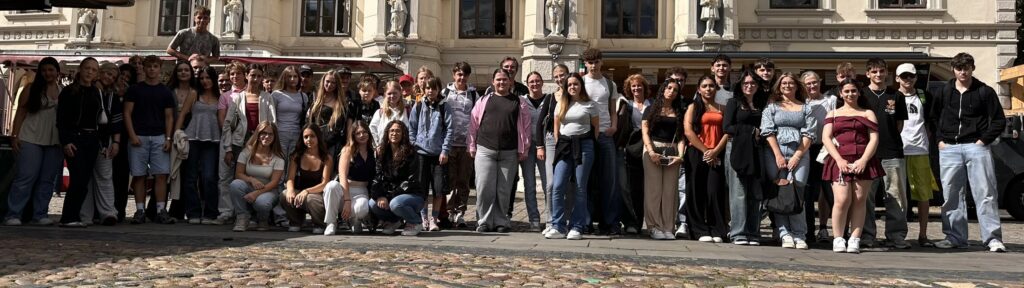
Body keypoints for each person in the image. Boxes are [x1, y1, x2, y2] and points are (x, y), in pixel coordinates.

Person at [931, 53, 1007, 252]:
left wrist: (983, 141)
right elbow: (933, 118)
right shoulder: (944, 91)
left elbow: (999, 119)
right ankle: (955, 237)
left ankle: (992, 239)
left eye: (966, 68)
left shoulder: (985, 91)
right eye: (958, 68)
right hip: (949, 148)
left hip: (977, 147)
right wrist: (939, 141)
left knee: (986, 193)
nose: (962, 72)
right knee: (951, 195)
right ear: (953, 70)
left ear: (972, 68)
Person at [821, 79, 884, 254]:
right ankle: (838, 238)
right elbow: (826, 138)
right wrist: (839, 160)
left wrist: (863, 160)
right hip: (839, 160)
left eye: (853, 91)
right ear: (841, 93)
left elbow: (874, 139)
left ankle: (855, 238)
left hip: (863, 159)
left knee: (859, 199)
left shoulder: (867, 113)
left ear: (859, 93)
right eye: (846, 91)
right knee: (841, 200)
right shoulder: (832, 114)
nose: (850, 94)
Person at [468, 69, 532, 233]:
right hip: (485, 150)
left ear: (510, 82)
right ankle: (483, 221)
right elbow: (473, 124)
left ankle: (502, 221)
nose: (502, 82)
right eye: (498, 79)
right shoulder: (483, 100)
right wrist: (471, 145)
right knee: (484, 188)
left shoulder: (519, 102)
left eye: (505, 79)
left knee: (503, 190)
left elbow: (525, 126)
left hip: (509, 152)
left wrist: (524, 148)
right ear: (493, 81)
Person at [760, 72, 818, 250]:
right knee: (780, 191)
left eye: (791, 83)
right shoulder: (771, 107)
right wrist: (777, 154)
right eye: (784, 83)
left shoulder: (806, 108)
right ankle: (784, 232)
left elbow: (810, 134)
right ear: (779, 86)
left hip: (798, 152)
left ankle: (799, 234)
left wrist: (797, 156)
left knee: (797, 190)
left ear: (797, 86)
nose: (787, 86)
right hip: (774, 152)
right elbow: (767, 131)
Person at [5, 57, 62, 226]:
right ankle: (13, 213)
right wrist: (15, 136)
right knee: (25, 177)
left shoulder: (63, 90)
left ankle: (40, 213)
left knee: (47, 179)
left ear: (57, 72)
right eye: (44, 70)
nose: (47, 73)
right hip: (31, 136)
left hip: (54, 139)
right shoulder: (31, 89)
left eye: (51, 70)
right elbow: (21, 112)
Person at [860, 58, 910, 249]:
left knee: (896, 196)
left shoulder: (896, 95)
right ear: (868, 74)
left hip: (892, 152)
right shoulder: (862, 95)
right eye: (874, 72)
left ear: (887, 73)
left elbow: (899, 124)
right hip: (867, 154)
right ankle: (867, 235)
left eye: (881, 71)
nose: (878, 75)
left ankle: (896, 235)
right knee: (866, 197)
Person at [544, 73, 598, 240]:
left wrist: (590, 144)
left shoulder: (590, 104)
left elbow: (596, 128)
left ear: (581, 85)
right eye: (569, 85)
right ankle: (558, 225)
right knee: (558, 185)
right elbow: (556, 128)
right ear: (566, 88)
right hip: (564, 146)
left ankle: (577, 226)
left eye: (575, 84)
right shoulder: (561, 103)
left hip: (584, 146)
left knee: (580, 188)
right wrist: (560, 144)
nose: (572, 87)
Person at [124, 55, 176, 225]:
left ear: (160, 69)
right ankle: (140, 210)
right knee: (139, 175)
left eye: (155, 66)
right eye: (149, 66)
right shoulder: (135, 89)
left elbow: (169, 116)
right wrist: (132, 135)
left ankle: (161, 209)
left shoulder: (165, 91)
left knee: (161, 174)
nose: (152, 69)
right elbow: (127, 113)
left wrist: (168, 138)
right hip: (139, 136)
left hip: (159, 136)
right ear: (144, 68)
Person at [894, 63, 940, 247]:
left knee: (923, 194)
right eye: (904, 76)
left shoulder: (924, 96)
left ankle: (923, 234)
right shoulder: (892, 97)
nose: (908, 80)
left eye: (911, 76)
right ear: (897, 78)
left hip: (920, 150)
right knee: (897, 195)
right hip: (897, 150)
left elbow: (931, 121)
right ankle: (897, 235)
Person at [54, 57, 103, 227]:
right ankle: (68, 217)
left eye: (94, 69)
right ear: (81, 69)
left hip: (91, 139)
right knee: (77, 178)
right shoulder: (69, 91)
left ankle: (73, 215)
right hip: (75, 138)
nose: (90, 72)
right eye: (87, 68)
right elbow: (61, 120)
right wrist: (66, 141)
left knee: (84, 180)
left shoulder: (96, 92)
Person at [724, 70, 768, 245]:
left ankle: (753, 232)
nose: (749, 86)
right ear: (740, 86)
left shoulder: (762, 104)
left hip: (758, 149)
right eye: (745, 83)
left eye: (752, 83)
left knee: (756, 192)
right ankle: (738, 233)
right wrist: (750, 131)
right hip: (738, 149)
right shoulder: (733, 103)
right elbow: (727, 127)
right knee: (739, 192)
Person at [683, 75, 729, 242]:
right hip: (697, 152)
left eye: (711, 86)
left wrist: (715, 151)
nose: (708, 89)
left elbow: (727, 131)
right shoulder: (693, 107)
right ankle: (698, 230)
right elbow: (688, 132)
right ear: (698, 89)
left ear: (716, 89)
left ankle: (717, 229)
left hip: (717, 152)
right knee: (695, 190)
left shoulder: (723, 107)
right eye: (704, 86)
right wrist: (705, 151)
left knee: (714, 191)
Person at [581, 48, 621, 235]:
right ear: (585, 63)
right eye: (590, 62)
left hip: (605, 135)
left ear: (601, 62)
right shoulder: (580, 82)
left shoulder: (609, 84)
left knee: (609, 181)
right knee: (586, 180)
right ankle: (586, 222)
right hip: (586, 135)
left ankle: (610, 223)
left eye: (596, 61)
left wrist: (613, 126)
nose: (593, 65)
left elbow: (613, 110)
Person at [79, 62, 124, 226]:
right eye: (107, 73)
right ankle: (85, 215)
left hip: (105, 140)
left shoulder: (112, 96)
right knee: (85, 178)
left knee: (104, 176)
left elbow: (117, 121)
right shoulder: (86, 91)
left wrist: (116, 142)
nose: (108, 78)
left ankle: (108, 212)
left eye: (112, 76)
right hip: (85, 137)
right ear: (100, 73)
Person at [641, 78, 687, 240]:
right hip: (653, 149)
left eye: (675, 90)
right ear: (663, 89)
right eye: (669, 88)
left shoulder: (680, 111)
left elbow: (681, 137)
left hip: (672, 150)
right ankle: (653, 226)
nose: (671, 91)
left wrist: (680, 156)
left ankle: (668, 227)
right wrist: (651, 151)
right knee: (654, 190)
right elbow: (645, 132)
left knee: (670, 192)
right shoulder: (651, 108)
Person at [175, 67, 222, 224]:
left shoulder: (220, 97)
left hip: (213, 140)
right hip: (192, 138)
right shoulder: (194, 94)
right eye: (201, 78)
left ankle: (210, 212)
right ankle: (193, 212)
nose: (204, 81)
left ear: (213, 79)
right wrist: (176, 134)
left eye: (208, 77)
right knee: (190, 178)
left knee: (209, 177)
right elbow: (182, 114)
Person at [408, 76, 453, 232]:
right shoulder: (418, 106)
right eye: (427, 88)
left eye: (433, 88)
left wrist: (445, 150)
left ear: (438, 89)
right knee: (422, 189)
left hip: (438, 153)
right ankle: (423, 217)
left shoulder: (444, 106)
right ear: (423, 89)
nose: (430, 91)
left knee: (438, 189)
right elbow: (412, 127)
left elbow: (449, 129)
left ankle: (434, 218)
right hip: (421, 153)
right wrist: (414, 143)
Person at [220, 63, 263, 224]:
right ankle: (231, 212)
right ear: (247, 76)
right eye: (253, 75)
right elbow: (227, 124)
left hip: (259, 144)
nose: (255, 79)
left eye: (259, 76)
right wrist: (228, 148)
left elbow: (271, 123)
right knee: (233, 178)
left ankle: (250, 213)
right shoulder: (238, 97)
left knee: (255, 178)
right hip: (240, 142)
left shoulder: (266, 98)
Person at [370, 121, 426, 236]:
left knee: (396, 204)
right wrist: (380, 196)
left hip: (412, 195)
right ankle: (393, 221)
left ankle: (415, 222)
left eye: (398, 131)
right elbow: (378, 177)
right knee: (372, 203)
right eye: (392, 131)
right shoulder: (382, 153)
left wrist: (389, 197)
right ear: (387, 134)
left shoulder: (411, 152)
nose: (394, 133)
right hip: (392, 195)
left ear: (403, 134)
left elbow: (411, 181)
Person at [229, 121, 286, 232]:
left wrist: (256, 193)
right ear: (258, 135)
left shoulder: (278, 157)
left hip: (268, 190)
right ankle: (242, 217)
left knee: (262, 203)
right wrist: (251, 179)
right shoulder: (246, 152)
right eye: (263, 133)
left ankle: (262, 220)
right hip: (249, 186)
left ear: (275, 137)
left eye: (270, 134)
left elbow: (274, 182)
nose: (267, 136)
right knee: (235, 184)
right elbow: (238, 174)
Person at [442, 61, 479, 228]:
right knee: (450, 180)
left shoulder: (473, 95)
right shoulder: (445, 93)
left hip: (466, 144)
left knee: (463, 180)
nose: (461, 77)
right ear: (454, 75)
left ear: (468, 76)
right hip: (449, 144)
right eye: (459, 74)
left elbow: (478, 118)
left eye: (464, 74)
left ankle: (460, 212)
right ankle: (449, 211)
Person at [802, 70, 836, 243]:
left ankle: (839, 232)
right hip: (807, 149)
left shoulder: (831, 101)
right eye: (808, 83)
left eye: (814, 82)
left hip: (827, 149)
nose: (812, 86)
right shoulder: (802, 103)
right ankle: (808, 232)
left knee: (831, 192)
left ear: (820, 82)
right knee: (808, 193)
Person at [535, 64, 570, 235]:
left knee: (568, 184)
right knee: (550, 183)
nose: (559, 79)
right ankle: (551, 220)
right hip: (550, 141)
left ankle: (566, 220)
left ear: (568, 75)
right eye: (556, 76)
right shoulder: (549, 98)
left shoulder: (575, 94)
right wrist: (539, 146)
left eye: (561, 75)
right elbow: (539, 123)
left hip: (569, 141)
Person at [282, 124, 334, 234]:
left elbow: (325, 183)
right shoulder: (297, 155)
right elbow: (290, 178)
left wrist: (306, 191)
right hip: (300, 194)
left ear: (318, 137)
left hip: (317, 195)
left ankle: (319, 223)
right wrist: (290, 190)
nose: (309, 139)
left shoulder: (326, 157)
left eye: (312, 136)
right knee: (284, 194)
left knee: (311, 198)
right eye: (306, 137)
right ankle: (296, 221)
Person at [324, 121, 374, 235]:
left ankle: (353, 219)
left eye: (364, 132)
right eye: (358, 133)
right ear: (353, 136)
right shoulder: (347, 150)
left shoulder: (373, 151)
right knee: (331, 186)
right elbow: (342, 176)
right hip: (344, 189)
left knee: (362, 208)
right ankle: (331, 222)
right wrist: (347, 200)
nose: (362, 135)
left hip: (361, 190)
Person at [617, 74, 652, 235]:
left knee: (647, 189)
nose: (636, 88)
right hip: (632, 149)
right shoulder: (627, 105)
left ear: (644, 87)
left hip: (650, 149)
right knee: (631, 187)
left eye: (639, 85)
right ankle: (632, 222)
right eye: (633, 86)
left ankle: (648, 221)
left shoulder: (652, 105)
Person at [168, 61, 197, 218]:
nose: (183, 73)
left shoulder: (195, 92)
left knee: (185, 173)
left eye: (187, 70)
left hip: (187, 134)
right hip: (169, 131)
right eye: (180, 70)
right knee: (168, 171)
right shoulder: (170, 90)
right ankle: (156, 208)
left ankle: (178, 210)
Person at [519, 72, 547, 231]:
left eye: (537, 81)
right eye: (531, 82)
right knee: (529, 185)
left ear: (542, 82)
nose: (534, 84)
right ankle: (534, 219)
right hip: (528, 148)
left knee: (547, 184)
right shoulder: (522, 101)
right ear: (527, 84)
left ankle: (550, 218)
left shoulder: (549, 100)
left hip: (545, 147)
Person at [308, 69, 351, 158]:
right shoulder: (315, 99)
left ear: (337, 85)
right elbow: (309, 122)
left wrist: (323, 143)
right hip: (313, 142)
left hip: (331, 145)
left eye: (333, 83)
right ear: (323, 81)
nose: (329, 85)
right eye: (327, 81)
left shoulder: (341, 103)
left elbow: (338, 129)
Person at [113, 64, 136, 222]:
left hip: (125, 137)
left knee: (122, 175)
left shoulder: (131, 95)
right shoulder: (109, 92)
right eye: (122, 75)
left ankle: (119, 209)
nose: (124, 80)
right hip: (110, 137)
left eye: (128, 77)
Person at [369, 80, 407, 146]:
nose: (392, 96)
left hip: (402, 149)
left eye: (395, 93)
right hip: (384, 150)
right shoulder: (380, 112)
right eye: (389, 93)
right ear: (385, 94)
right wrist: (377, 146)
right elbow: (372, 130)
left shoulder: (407, 111)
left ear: (400, 93)